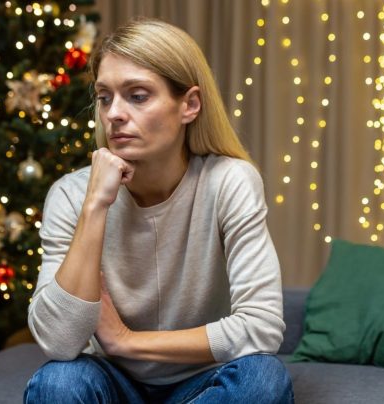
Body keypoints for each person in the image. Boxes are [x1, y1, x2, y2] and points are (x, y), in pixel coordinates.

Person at [24, 18, 293, 403]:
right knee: (58, 382)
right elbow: (58, 342)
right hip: (113, 382)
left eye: (137, 96)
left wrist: (126, 341)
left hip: (203, 382)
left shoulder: (229, 181)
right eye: (104, 97)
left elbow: (261, 328)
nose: (114, 114)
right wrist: (95, 205)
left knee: (262, 379)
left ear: (190, 105)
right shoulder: (71, 195)